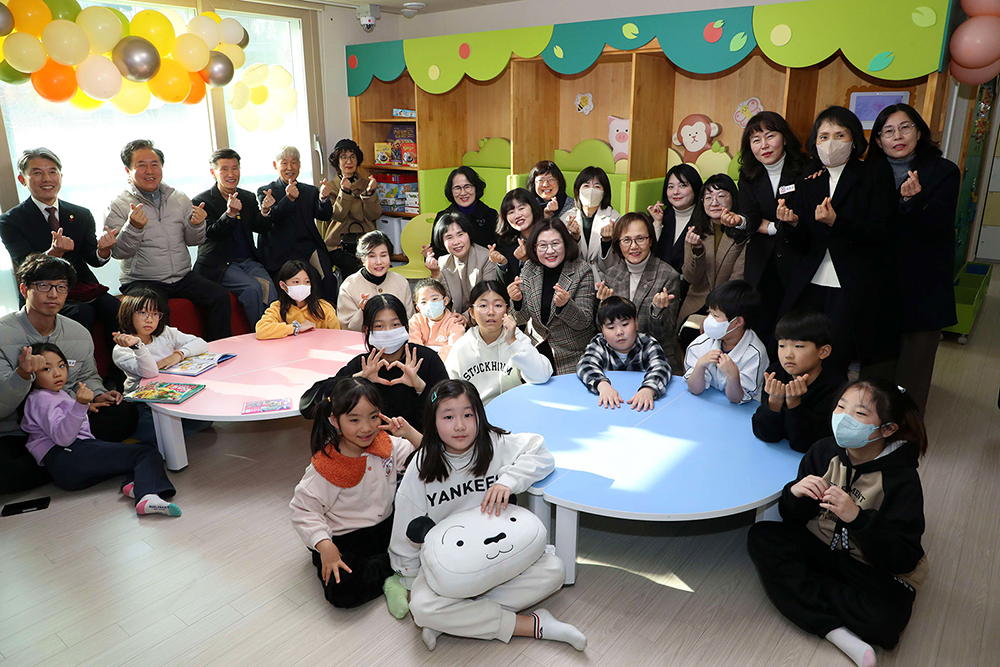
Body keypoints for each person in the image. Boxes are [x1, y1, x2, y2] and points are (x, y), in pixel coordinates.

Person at [390, 379, 586, 652]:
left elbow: (542, 455)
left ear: (479, 416)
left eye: (468, 415)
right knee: (422, 608)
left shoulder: (494, 444)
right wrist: (412, 583)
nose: (460, 426)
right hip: (451, 567)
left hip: (501, 555)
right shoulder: (422, 465)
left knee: (554, 571)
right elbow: (405, 532)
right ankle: (533, 625)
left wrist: (509, 481)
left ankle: (455, 619)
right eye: (448, 417)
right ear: (433, 421)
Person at [747, 380, 928, 667]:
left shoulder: (901, 480)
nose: (843, 418)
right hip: (820, 544)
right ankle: (837, 633)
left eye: (859, 413)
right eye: (841, 407)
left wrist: (858, 518)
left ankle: (809, 594)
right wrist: (794, 494)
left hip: (869, 567)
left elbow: (903, 558)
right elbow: (792, 519)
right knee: (761, 536)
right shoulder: (823, 451)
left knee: (886, 622)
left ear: (887, 429)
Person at [0, 254, 139, 494]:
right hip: (17, 430)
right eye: (44, 286)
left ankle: (67, 461)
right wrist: (22, 374)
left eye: (61, 287)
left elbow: (88, 376)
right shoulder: (3, 335)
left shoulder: (77, 333)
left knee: (125, 413)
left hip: (69, 421)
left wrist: (97, 394)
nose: (53, 294)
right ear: (24, 289)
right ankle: (77, 460)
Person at [775, 106, 898, 376]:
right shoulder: (810, 179)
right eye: (824, 136)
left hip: (851, 280)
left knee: (836, 354)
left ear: (854, 140)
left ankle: (832, 400)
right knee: (802, 350)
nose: (831, 143)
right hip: (811, 279)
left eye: (840, 135)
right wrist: (792, 223)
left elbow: (881, 231)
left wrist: (836, 222)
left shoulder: (873, 174)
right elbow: (801, 241)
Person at [290, 376, 421, 615]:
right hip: (344, 539)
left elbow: (431, 457)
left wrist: (409, 432)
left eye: (373, 416)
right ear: (335, 420)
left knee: (433, 539)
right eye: (354, 420)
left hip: (386, 527)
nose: (366, 428)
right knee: (343, 591)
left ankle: (396, 571)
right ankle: (399, 570)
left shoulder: (386, 444)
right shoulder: (326, 466)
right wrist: (325, 545)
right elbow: (303, 510)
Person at [867, 103, 960, 414]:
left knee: (913, 375)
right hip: (878, 286)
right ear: (878, 140)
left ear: (919, 132)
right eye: (888, 131)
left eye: (905, 127)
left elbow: (939, 226)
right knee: (875, 372)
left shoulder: (943, 171)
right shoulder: (868, 173)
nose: (897, 136)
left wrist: (914, 200)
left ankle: (906, 431)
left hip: (923, 287)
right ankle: (870, 425)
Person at [21, 342, 180, 516]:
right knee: (146, 453)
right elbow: (63, 438)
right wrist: (80, 405)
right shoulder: (41, 398)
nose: (57, 373)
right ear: (32, 373)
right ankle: (148, 496)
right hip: (68, 455)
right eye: (46, 369)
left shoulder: (54, 394)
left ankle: (134, 485)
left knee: (146, 447)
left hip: (69, 466)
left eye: (61, 366)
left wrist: (84, 406)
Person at [0, 148, 121, 375]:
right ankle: (76, 377)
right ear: (22, 180)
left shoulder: (80, 213)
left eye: (52, 172)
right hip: (43, 291)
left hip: (82, 288)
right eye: (37, 173)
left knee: (114, 307)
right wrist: (53, 253)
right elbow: (25, 265)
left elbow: (92, 258)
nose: (47, 179)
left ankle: (119, 374)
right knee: (82, 313)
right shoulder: (10, 221)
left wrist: (103, 251)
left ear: (61, 177)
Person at [104, 139, 232, 341]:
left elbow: (194, 241)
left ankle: (218, 349)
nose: (149, 171)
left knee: (219, 296)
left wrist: (197, 225)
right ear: (128, 171)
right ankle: (166, 358)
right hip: (143, 279)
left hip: (181, 276)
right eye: (141, 165)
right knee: (156, 311)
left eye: (154, 164)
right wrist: (133, 227)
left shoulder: (178, 197)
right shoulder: (118, 205)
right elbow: (119, 252)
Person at [301, 294, 447, 431]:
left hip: (419, 443)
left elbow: (449, 411)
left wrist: (421, 388)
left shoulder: (426, 359)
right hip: (371, 444)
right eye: (379, 326)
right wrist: (356, 380)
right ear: (366, 330)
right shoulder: (363, 365)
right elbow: (307, 406)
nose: (388, 331)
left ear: (405, 326)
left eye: (395, 324)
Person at [731, 112, 808, 353]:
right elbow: (751, 217)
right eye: (756, 140)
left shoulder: (806, 169)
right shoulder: (748, 175)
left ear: (784, 138)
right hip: (762, 263)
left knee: (795, 327)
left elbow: (805, 216)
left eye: (770, 136)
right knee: (762, 327)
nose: (763, 145)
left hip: (797, 258)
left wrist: (772, 227)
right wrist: (740, 221)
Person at [192, 148, 276, 325]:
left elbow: (260, 227)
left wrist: (265, 211)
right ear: (213, 172)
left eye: (235, 168)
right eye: (224, 169)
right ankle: (261, 332)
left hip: (248, 261)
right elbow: (210, 234)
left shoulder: (247, 197)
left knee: (269, 287)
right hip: (221, 263)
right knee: (253, 288)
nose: (231, 174)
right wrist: (229, 214)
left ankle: (274, 331)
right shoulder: (202, 201)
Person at [595, 211, 682, 372]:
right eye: (626, 240)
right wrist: (603, 305)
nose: (634, 246)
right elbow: (602, 327)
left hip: (657, 361)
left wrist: (657, 311)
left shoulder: (668, 276)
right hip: (619, 362)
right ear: (618, 244)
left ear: (650, 240)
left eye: (640, 239)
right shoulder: (612, 275)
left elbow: (664, 334)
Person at [509, 218, 596, 375]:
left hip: (574, 354)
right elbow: (520, 319)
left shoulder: (582, 270)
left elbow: (585, 322)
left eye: (555, 244)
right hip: (536, 350)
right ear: (534, 248)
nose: (550, 251)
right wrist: (517, 302)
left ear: (566, 244)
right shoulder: (529, 268)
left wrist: (566, 305)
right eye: (543, 245)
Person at [752, 311, 846, 452]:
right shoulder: (775, 373)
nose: (788, 355)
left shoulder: (835, 386)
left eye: (799, 346)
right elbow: (765, 434)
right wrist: (774, 401)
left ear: (823, 351)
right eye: (782, 346)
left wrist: (794, 404)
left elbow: (806, 444)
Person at [445, 281, 553, 404]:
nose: (491, 312)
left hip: (513, 408)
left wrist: (512, 342)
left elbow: (542, 376)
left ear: (507, 310)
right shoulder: (462, 346)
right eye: (483, 306)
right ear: (471, 313)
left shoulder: (516, 338)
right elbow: (450, 390)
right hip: (476, 412)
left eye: (498, 305)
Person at [256, 146, 338, 301]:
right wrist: (289, 199)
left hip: (308, 246)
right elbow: (273, 219)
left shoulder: (309, 190)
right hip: (280, 250)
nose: (289, 167)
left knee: (328, 278)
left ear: (299, 165)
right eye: (284, 163)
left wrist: (323, 199)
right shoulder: (266, 191)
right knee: (310, 277)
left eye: (294, 162)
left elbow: (324, 216)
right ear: (275, 165)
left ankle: (329, 313)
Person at [677, 174, 750, 328]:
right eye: (708, 197)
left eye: (721, 196)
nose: (714, 202)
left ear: (733, 198)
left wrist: (714, 314)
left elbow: (737, 279)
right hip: (696, 303)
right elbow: (691, 278)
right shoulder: (695, 232)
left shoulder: (744, 234)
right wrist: (697, 250)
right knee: (688, 331)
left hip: (729, 306)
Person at [576, 296, 671, 412]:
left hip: (641, 408)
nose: (619, 332)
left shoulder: (648, 344)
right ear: (602, 330)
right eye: (611, 327)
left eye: (625, 324)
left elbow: (661, 367)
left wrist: (649, 389)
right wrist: (602, 385)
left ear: (636, 323)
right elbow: (585, 365)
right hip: (608, 408)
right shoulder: (599, 344)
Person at [684, 280, 768, 404]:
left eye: (716, 316)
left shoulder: (755, 354)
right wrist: (700, 365)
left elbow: (736, 399)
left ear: (737, 322)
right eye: (709, 313)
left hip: (741, 411)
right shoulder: (704, 342)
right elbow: (695, 389)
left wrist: (733, 376)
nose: (709, 319)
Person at [111, 288, 209, 394]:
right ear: (128, 314)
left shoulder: (165, 333)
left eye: (155, 314)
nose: (149, 320)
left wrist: (179, 354)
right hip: (143, 395)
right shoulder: (121, 350)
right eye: (143, 312)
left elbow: (201, 343)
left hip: (174, 387)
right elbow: (150, 373)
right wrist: (137, 345)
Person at [423, 212, 497, 319]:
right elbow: (441, 301)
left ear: (469, 234)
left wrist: (466, 317)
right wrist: (435, 274)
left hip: (482, 318)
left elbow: (488, 297)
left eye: (460, 234)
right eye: (449, 237)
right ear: (442, 241)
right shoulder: (443, 261)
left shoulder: (486, 257)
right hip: (454, 320)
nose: (456, 242)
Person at [337, 231, 414, 332]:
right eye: (372, 256)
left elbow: (410, 321)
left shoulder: (401, 282)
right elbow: (347, 328)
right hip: (362, 340)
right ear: (362, 259)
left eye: (383, 255)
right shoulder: (348, 287)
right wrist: (363, 311)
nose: (379, 262)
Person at [325, 139, 381, 277]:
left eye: (352, 157)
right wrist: (344, 192)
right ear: (337, 161)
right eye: (343, 157)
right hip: (338, 244)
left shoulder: (367, 184)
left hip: (366, 240)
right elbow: (338, 215)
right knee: (351, 264)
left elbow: (374, 215)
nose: (348, 162)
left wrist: (369, 193)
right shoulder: (330, 187)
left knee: (379, 258)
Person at [256, 260, 340, 340]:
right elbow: (261, 330)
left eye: (307, 282)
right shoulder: (277, 307)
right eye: (296, 282)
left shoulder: (324, 308)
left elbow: (337, 336)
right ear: (283, 285)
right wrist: (295, 328)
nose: (302, 286)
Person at [561, 166, 620, 278]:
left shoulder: (614, 219)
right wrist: (574, 238)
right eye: (586, 186)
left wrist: (606, 242)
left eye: (597, 186)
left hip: (604, 279)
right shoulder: (566, 218)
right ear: (578, 190)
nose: (591, 191)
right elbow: (565, 259)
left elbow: (615, 264)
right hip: (574, 278)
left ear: (604, 192)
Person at [652, 164, 703, 275]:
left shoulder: (705, 220)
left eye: (682, 186)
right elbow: (647, 255)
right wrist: (657, 224)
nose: (675, 192)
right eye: (671, 187)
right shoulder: (660, 217)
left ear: (695, 188)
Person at [433, 166, 498, 250]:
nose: (463, 193)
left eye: (467, 186)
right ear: (451, 191)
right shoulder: (442, 217)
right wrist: (429, 254)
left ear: (476, 188)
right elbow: (437, 250)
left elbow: (499, 248)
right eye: (457, 188)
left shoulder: (491, 215)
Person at [492, 188, 542, 287]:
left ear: (532, 207)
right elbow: (504, 286)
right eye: (511, 212)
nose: (517, 215)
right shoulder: (505, 243)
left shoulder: (548, 236)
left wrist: (527, 260)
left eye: (521, 208)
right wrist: (502, 263)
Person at [408, 278, 466, 361]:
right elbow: (415, 346)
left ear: (445, 301)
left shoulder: (455, 322)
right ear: (418, 308)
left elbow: (454, 348)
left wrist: (436, 363)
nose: (430, 304)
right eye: (423, 302)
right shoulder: (415, 321)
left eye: (434, 299)